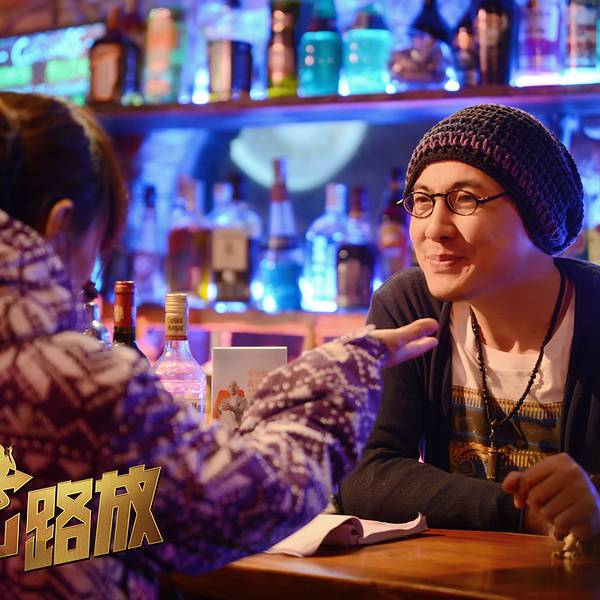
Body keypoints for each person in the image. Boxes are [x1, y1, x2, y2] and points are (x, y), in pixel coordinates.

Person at [0, 92, 438, 598]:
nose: (88, 279)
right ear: (59, 227)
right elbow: (252, 503)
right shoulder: (77, 380)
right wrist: (333, 377)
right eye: (97, 245)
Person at [339, 104, 600, 547]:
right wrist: (520, 512)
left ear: (537, 215)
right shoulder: (409, 307)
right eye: (422, 201)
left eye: (465, 199)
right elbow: (364, 475)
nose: (435, 229)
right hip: (448, 575)